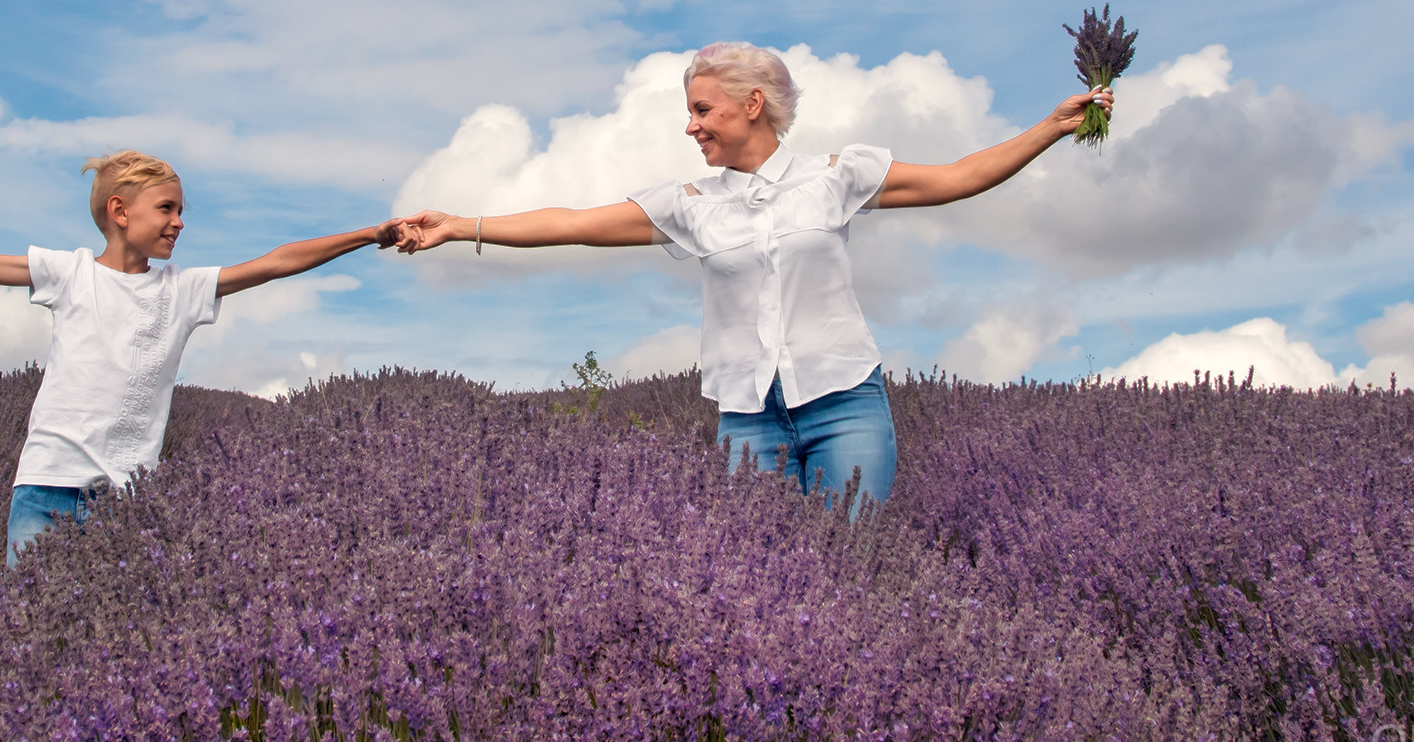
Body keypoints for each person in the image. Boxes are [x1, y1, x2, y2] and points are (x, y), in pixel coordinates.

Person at [390, 42, 1113, 514]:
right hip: (747, 420)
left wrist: (1050, 125)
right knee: (760, 590)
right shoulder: (690, 204)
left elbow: (960, 178)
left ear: (752, 104)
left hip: (844, 407)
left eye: (702, 110)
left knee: (847, 576)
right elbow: (572, 221)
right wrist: (462, 225)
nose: (692, 127)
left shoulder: (837, 175)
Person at [0, 149, 389, 566]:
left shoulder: (181, 289)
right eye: (166, 208)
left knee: (109, 650)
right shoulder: (69, 273)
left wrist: (366, 234)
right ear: (119, 210)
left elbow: (275, 262)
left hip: (128, 498)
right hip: (48, 485)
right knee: (29, 640)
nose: (179, 222)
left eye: (181, 211)